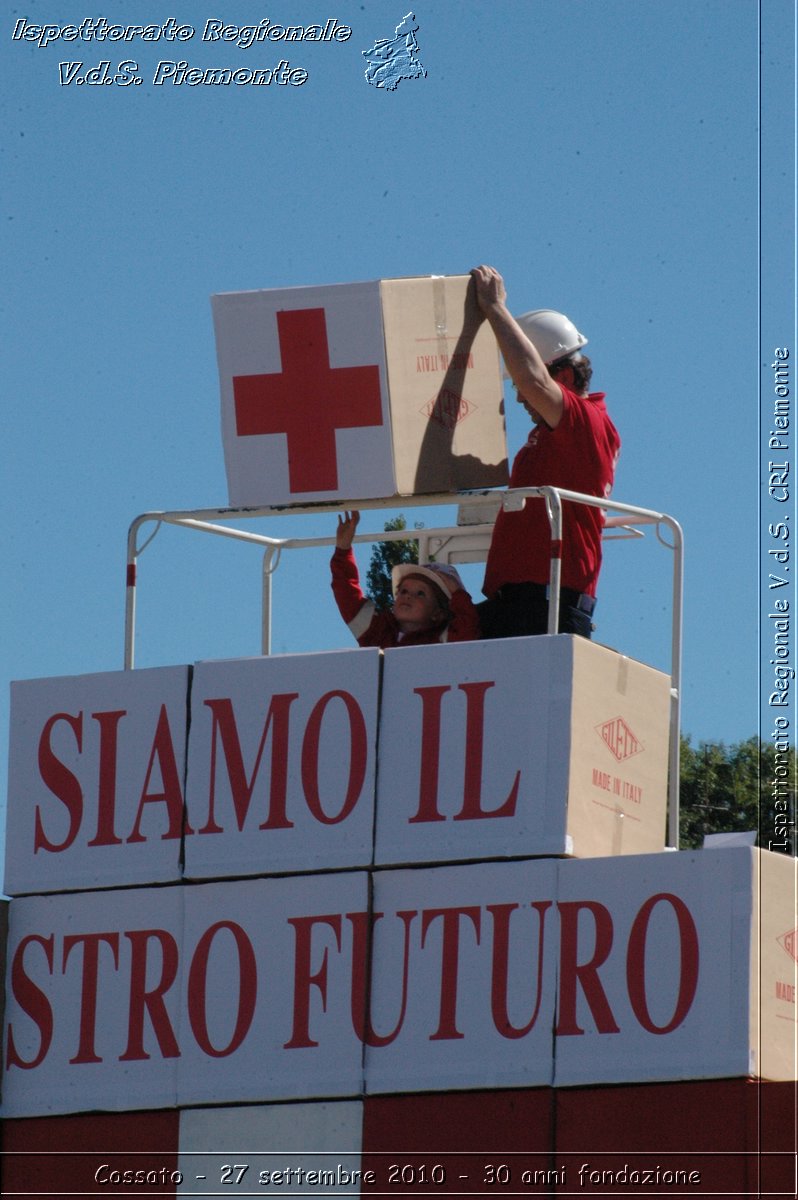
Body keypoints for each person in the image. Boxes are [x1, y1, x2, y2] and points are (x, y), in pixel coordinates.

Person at [470, 264, 621, 639]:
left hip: (545, 604)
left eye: (520, 384)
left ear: (565, 379)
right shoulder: (559, 434)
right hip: (524, 601)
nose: (519, 395)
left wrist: (495, 308)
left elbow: (534, 381)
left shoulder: (584, 422)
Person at [331, 511, 479, 648]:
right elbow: (347, 596)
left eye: (420, 593)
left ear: (438, 613)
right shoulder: (378, 631)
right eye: (403, 591)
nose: (407, 596)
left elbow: (468, 633)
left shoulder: (444, 640)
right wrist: (343, 549)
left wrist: (458, 593)